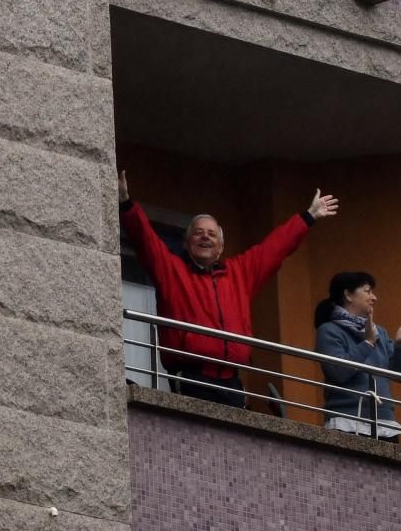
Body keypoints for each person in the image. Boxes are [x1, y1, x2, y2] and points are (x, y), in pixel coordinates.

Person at [118, 170, 338, 408]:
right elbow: (145, 240)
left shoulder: (238, 273)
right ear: (186, 242)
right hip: (190, 377)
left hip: (232, 381)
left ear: (221, 247)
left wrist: (308, 217)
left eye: (212, 234)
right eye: (198, 233)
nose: (205, 238)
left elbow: (274, 248)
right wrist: (126, 205)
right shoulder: (172, 271)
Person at [314, 272, 401, 443]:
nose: (374, 297)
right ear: (348, 295)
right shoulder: (329, 331)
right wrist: (368, 343)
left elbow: (400, 375)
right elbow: (337, 372)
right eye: (368, 291)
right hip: (347, 421)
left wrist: (399, 345)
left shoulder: (379, 332)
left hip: (385, 424)